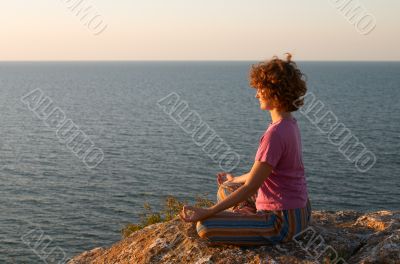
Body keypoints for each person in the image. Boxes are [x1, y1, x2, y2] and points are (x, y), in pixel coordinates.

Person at [179, 53, 311, 245]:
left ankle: (250, 218)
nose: (256, 94)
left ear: (275, 92)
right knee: (226, 188)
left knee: (205, 227)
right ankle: (247, 215)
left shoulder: (275, 134)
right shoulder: (289, 124)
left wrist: (208, 211)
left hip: (282, 221)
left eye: (260, 89)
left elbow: (251, 186)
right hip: (300, 210)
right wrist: (234, 179)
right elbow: (258, 175)